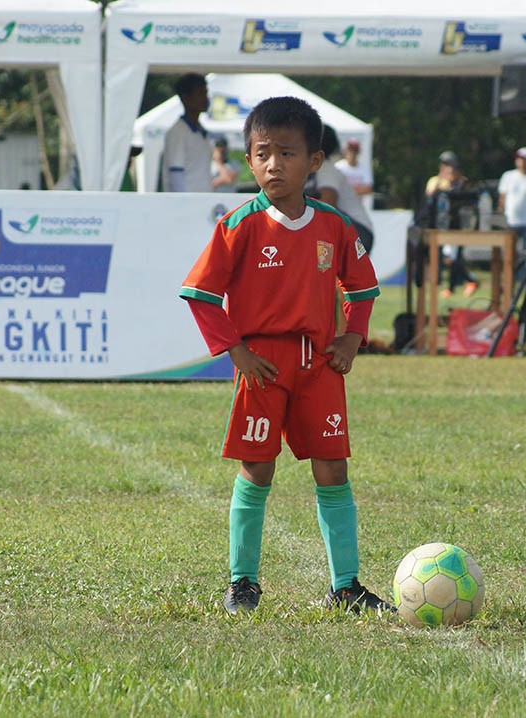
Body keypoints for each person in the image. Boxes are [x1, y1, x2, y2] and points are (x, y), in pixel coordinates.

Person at [178, 96, 392, 616]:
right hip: (264, 366)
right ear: (249, 161)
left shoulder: (334, 226)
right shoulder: (239, 226)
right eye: (263, 153)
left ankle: (345, 586)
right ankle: (242, 583)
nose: (274, 164)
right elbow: (200, 294)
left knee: (333, 470)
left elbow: (361, 288)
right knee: (257, 471)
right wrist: (237, 352)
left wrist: (351, 338)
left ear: (314, 161)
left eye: (288, 153)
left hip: (320, 365)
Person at [307, 125, 375, 253]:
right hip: (353, 230)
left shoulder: (324, 168)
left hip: (358, 232)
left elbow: (327, 204)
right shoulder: (317, 170)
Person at [425, 150, 478, 297]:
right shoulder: (435, 181)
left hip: (458, 225)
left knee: (453, 258)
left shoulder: (461, 182)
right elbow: (430, 198)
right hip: (440, 226)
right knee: (448, 258)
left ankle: (461, 284)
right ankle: (466, 281)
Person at [162, 73, 212, 193]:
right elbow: (175, 174)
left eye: (205, 93)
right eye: (200, 93)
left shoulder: (201, 131)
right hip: (186, 205)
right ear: (185, 98)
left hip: (202, 201)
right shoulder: (177, 132)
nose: (205, 98)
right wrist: (185, 203)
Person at [497, 146, 526, 251]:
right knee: (509, 250)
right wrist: (501, 214)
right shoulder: (508, 176)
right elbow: (502, 197)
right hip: (510, 220)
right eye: (519, 159)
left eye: (524, 159)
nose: (521, 162)